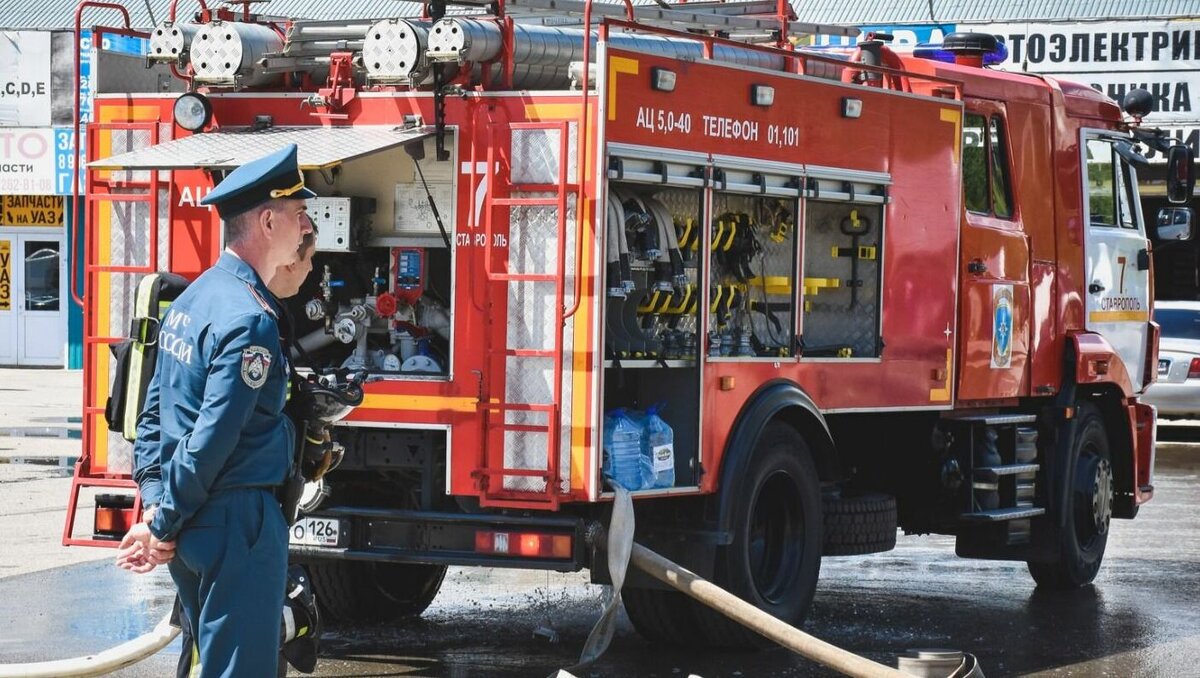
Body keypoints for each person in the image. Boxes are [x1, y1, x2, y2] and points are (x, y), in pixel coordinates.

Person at [115, 143, 315, 678]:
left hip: (195, 524)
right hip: (235, 524)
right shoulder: (249, 320)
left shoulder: (193, 298)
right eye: (300, 216)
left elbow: (152, 417)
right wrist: (163, 521)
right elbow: (212, 437)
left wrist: (159, 509)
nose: (307, 227)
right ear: (269, 221)